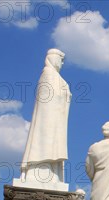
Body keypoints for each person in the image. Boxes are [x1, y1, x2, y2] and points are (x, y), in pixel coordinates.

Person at [18, 48, 70, 189]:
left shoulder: (57, 78)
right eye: (60, 60)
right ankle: (37, 170)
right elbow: (49, 101)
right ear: (54, 58)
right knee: (44, 143)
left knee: (52, 145)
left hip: (56, 121)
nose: (62, 64)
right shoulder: (48, 74)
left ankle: (51, 174)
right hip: (48, 120)